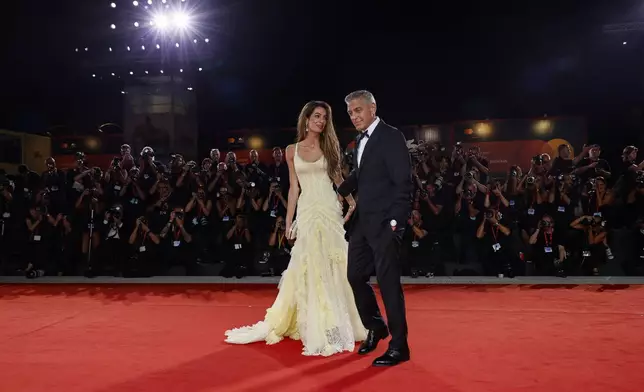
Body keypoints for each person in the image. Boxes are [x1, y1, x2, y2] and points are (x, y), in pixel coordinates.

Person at [224, 101, 367, 356]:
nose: (321, 121)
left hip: (328, 210)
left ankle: (338, 322)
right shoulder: (291, 150)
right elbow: (293, 188)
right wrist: (289, 221)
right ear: (306, 118)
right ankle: (312, 320)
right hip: (308, 211)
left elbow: (337, 178)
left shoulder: (328, 146)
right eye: (316, 116)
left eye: (324, 117)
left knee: (334, 263)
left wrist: (351, 201)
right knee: (309, 263)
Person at [337, 90, 413, 367]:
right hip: (362, 224)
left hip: (385, 225)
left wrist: (396, 223)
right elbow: (363, 173)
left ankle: (399, 346)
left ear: (372, 108)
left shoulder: (391, 136)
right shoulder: (359, 141)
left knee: (389, 285)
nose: (354, 116)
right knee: (355, 276)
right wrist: (339, 189)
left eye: (358, 110)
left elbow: (403, 183)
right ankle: (376, 325)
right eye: (350, 113)